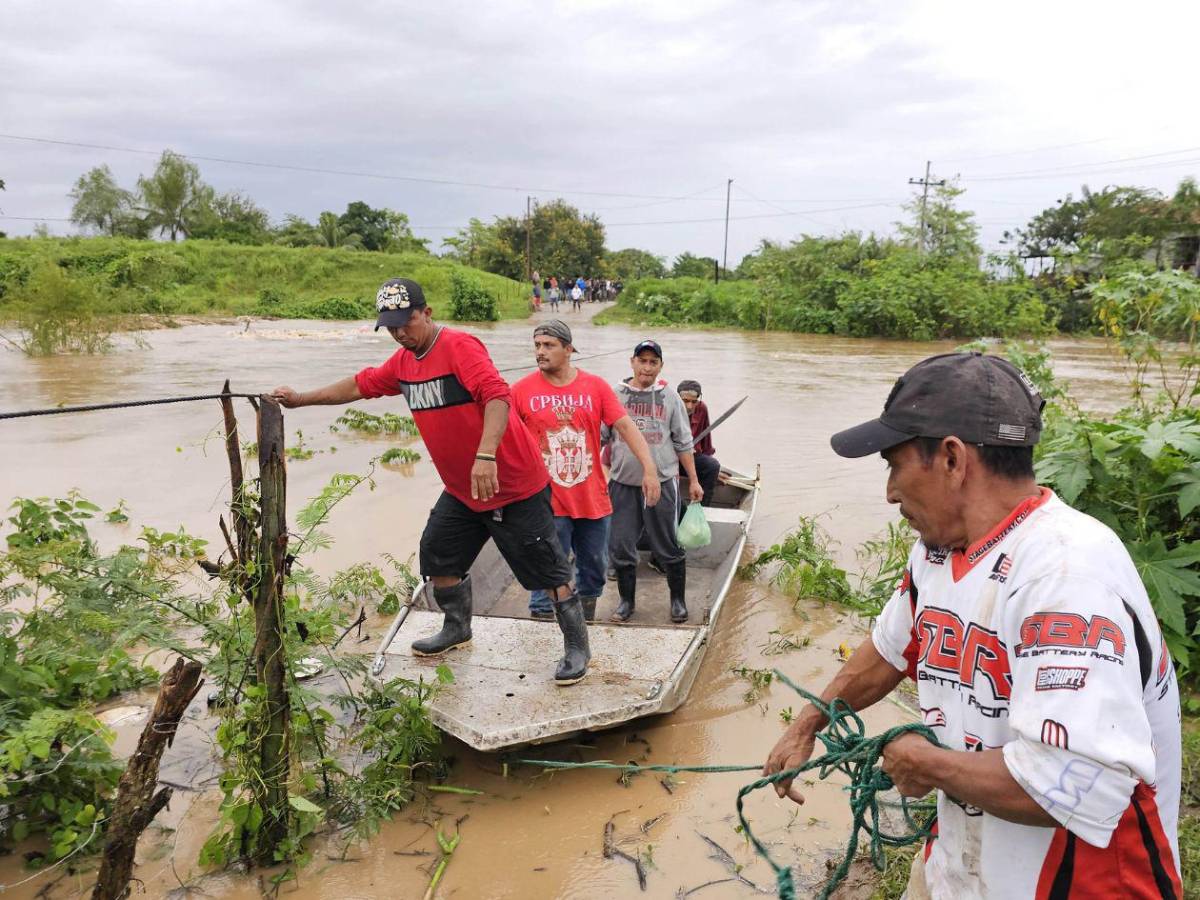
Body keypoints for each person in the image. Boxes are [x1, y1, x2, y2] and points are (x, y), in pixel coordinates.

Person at [764, 352, 1182, 897]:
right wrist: (808, 723)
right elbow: (892, 648)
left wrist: (930, 766)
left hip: (1078, 883)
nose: (889, 492)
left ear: (952, 459)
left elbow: (1077, 783)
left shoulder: (1066, 575)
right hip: (965, 865)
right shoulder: (936, 552)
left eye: (894, 464)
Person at [270, 278, 590, 686]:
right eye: (391, 327)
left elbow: (497, 396)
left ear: (427, 313)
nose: (400, 333)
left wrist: (486, 455)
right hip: (462, 490)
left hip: (513, 484)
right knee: (438, 553)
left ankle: (577, 646)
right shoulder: (403, 363)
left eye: (407, 322)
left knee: (549, 570)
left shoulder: (460, 347)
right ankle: (457, 627)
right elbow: (357, 385)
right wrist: (300, 399)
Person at [512, 320, 659, 621]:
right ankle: (542, 624)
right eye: (537, 345)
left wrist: (650, 469)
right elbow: (503, 437)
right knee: (548, 570)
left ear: (568, 349)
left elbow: (626, 427)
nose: (540, 351)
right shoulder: (521, 391)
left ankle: (585, 621)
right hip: (546, 501)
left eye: (549, 345)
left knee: (594, 568)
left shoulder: (595, 386)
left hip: (591, 497)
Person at [606, 340, 704, 624]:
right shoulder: (614, 395)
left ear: (661, 366)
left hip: (662, 483)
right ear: (632, 362)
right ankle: (626, 602)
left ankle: (677, 601)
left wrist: (694, 480)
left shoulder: (670, 397)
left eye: (653, 362)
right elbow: (600, 437)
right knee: (621, 545)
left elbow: (683, 442)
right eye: (642, 361)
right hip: (623, 484)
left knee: (668, 545)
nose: (647, 367)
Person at [677, 380, 721, 506]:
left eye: (694, 402)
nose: (690, 406)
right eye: (685, 401)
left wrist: (713, 472)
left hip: (692, 458)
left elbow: (706, 442)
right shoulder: (670, 408)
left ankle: (702, 508)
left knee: (712, 466)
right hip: (671, 459)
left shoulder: (701, 408)